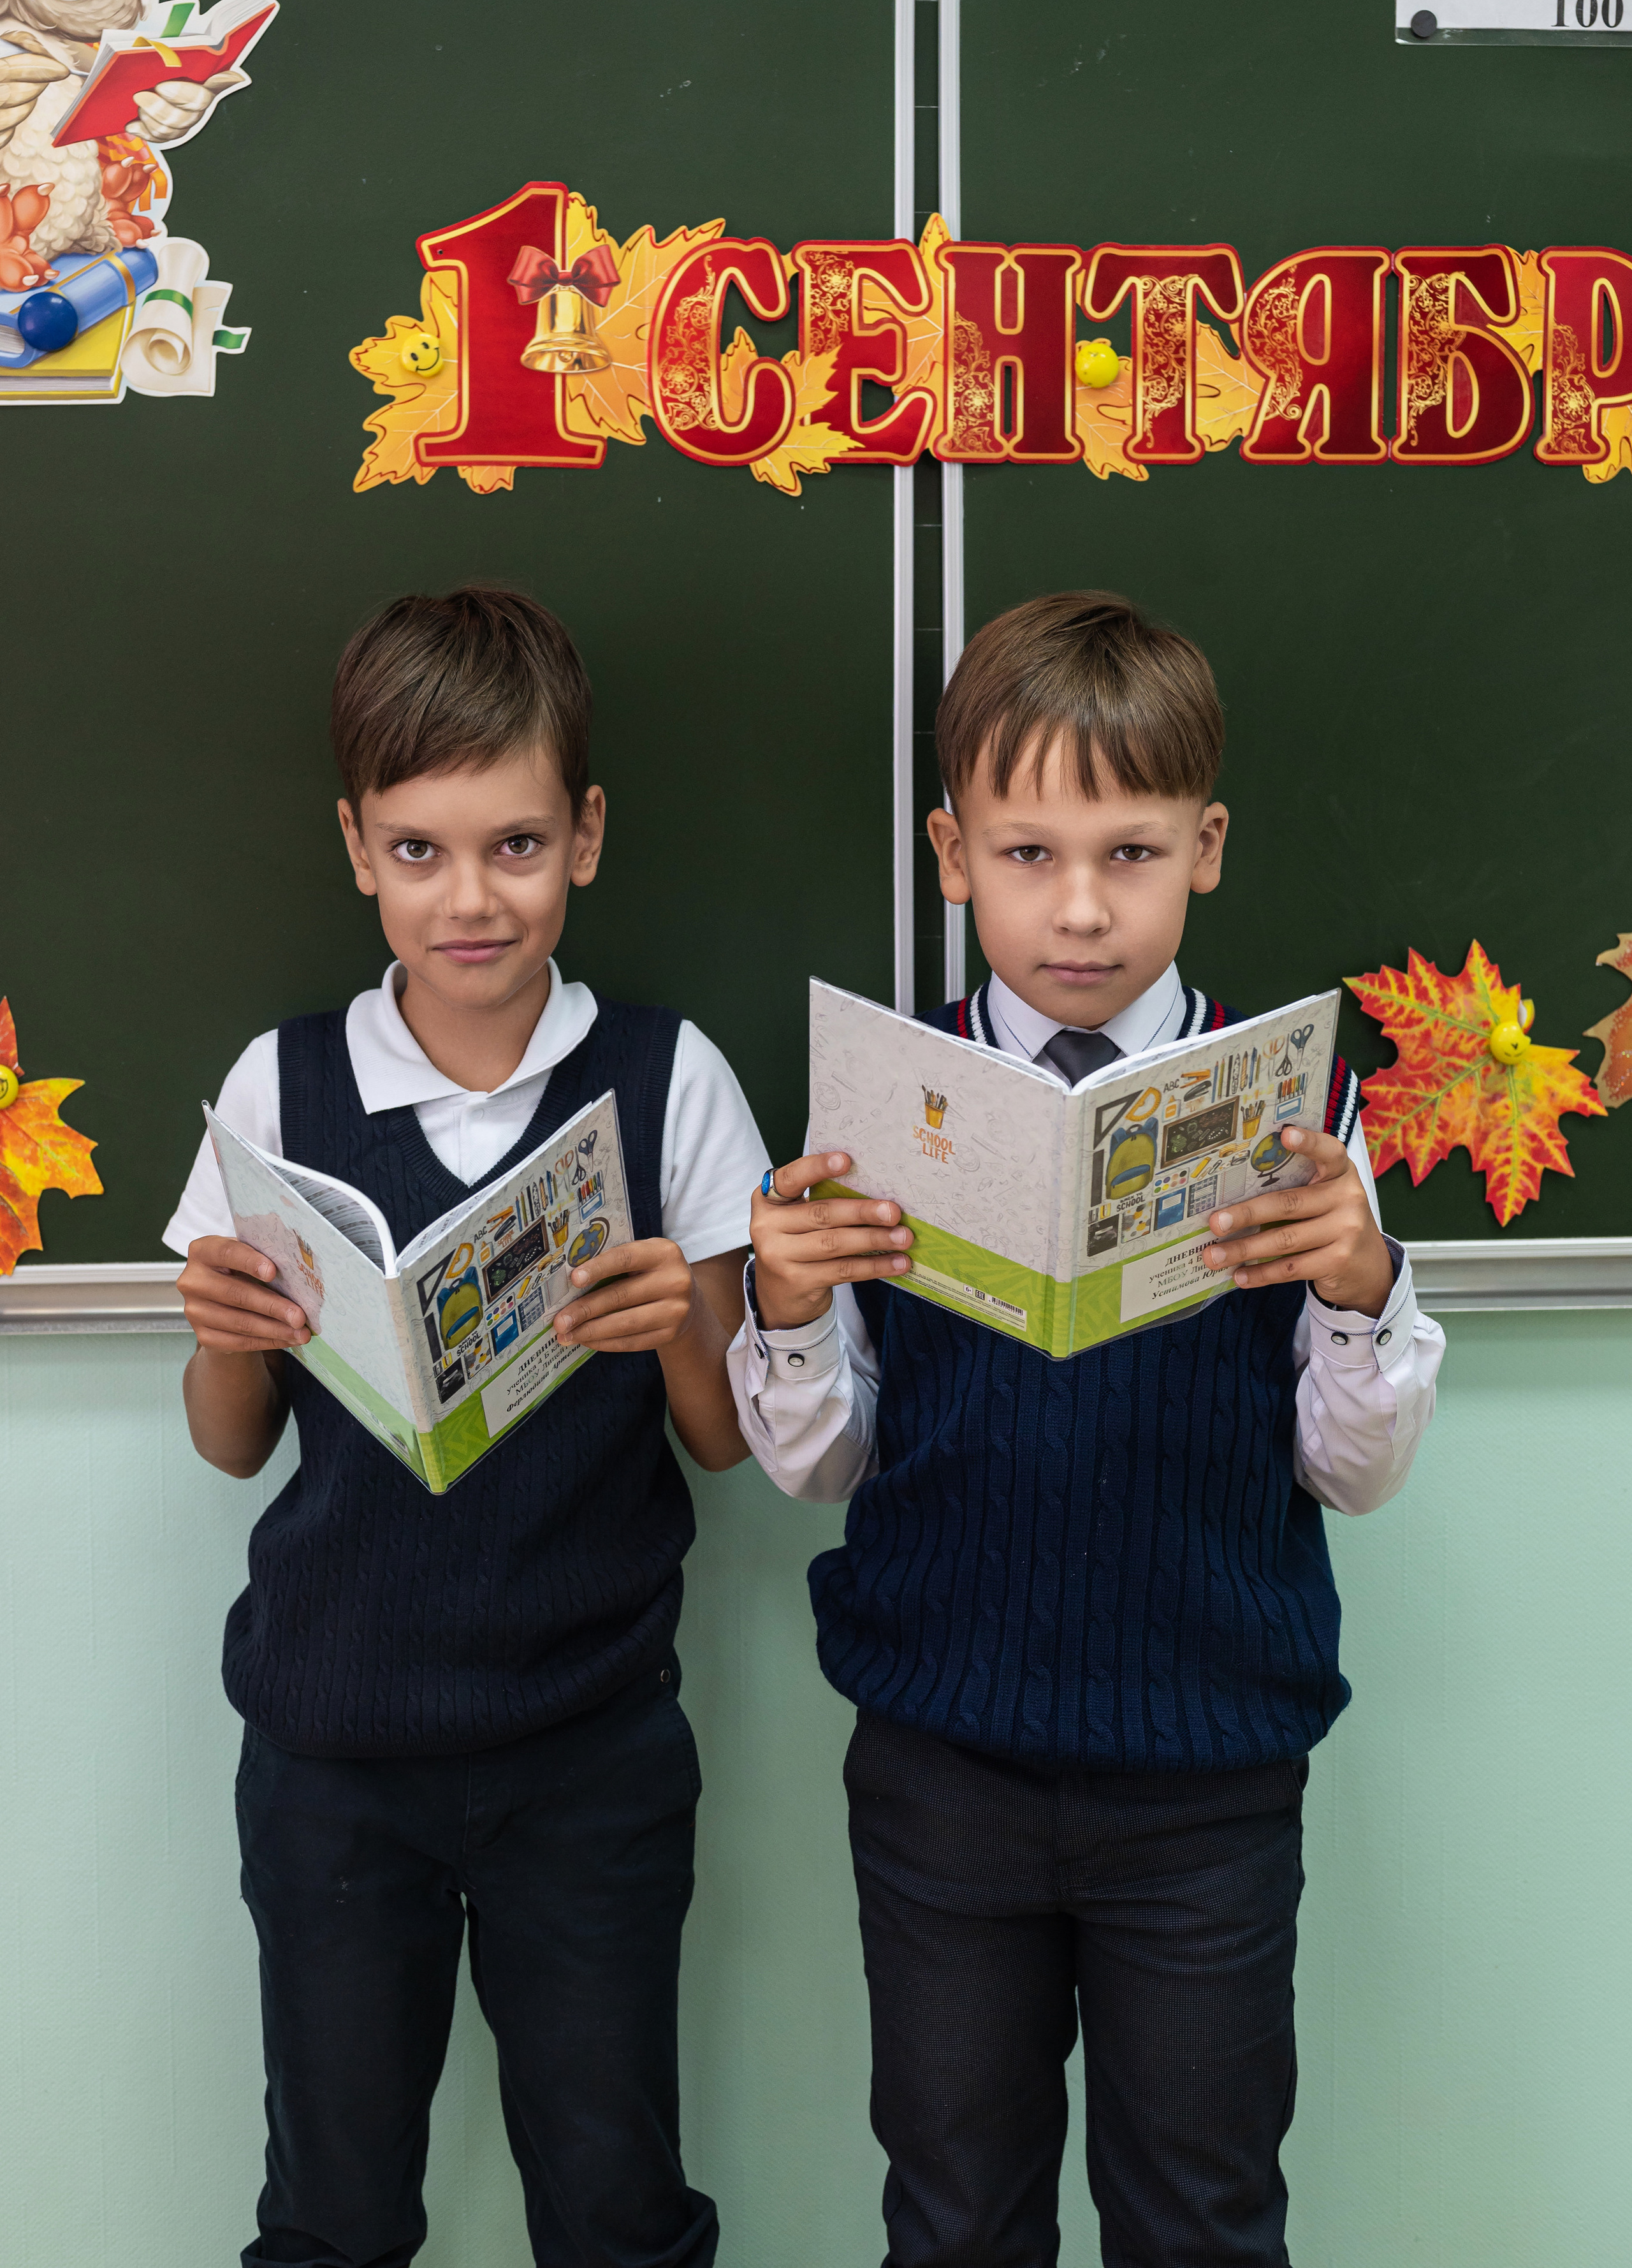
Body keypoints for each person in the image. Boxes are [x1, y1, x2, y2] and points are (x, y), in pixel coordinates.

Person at [729, 590, 1445, 2268]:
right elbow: (822, 1460)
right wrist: (782, 1299)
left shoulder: (1300, 1112)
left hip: (1205, 1777)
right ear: (950, 851)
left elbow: (1354, 1465)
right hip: (943, 1771)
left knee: (1199, 2215)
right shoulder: (877, 1102)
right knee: (958, 2215)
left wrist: (1357, 1278)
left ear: (1203, 847)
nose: (1077, 906)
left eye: (1128, 852)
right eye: (1030, 850)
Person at [166, 585, 763, 2268]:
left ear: (583, 832)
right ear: (357, 847)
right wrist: (221, 1336)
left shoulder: (667, 1079)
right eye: (420, 850)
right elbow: (230, 1443)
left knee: (619, 2199)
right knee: (337, 2206)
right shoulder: (281, 1089)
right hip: (335, 1755)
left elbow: (723, 1442)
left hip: (590, 1746)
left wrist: (679, 1330)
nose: (471, 895)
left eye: (513, 842)